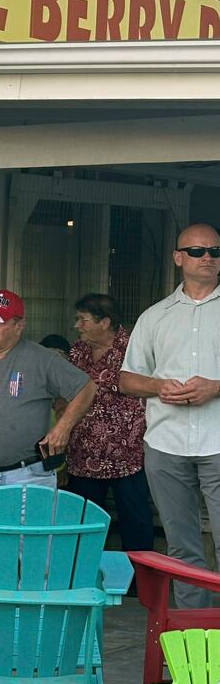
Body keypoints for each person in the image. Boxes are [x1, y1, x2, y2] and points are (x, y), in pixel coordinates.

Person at [120, 224, 220, 607]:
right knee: (181, 544)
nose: (207, 257)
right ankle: (195, 636)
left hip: (217, 439)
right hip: (166, 442)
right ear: (178, 258)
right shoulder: (155, 316)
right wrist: (158, 387)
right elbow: (127, 378)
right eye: (196, 251)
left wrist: (215, 386)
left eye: (214, 251)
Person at [0, 289, 94, 494]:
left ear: (19, 327)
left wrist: (63, 428)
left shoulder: (41, 359)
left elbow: (86, 387)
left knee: (28, 528)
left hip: (30, 475)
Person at [67, 293, 155, 552]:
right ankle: (81, 577)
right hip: (83, 451)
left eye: (82, 320)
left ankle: (137, 581)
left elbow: (152, 387)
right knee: (82, 519)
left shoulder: (133, 348)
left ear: (104, 321)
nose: (77, 326)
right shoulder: (77, 351)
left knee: (135, 518)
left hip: (126, 451)